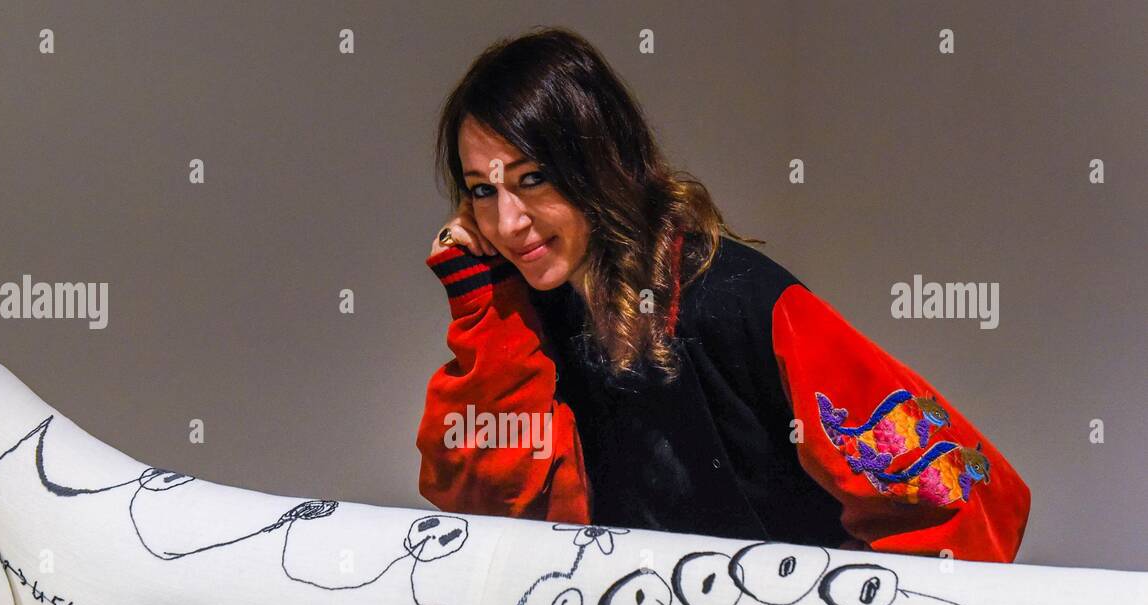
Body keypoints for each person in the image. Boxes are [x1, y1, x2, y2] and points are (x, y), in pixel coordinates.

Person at [416, 28, 1030, 562]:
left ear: (600, 162)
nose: (508, 221)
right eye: (482, 191)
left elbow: (966, 497)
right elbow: (487, 510)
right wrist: (482, 303)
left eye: (533, 178)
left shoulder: (743, 302)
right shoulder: (531, 314)